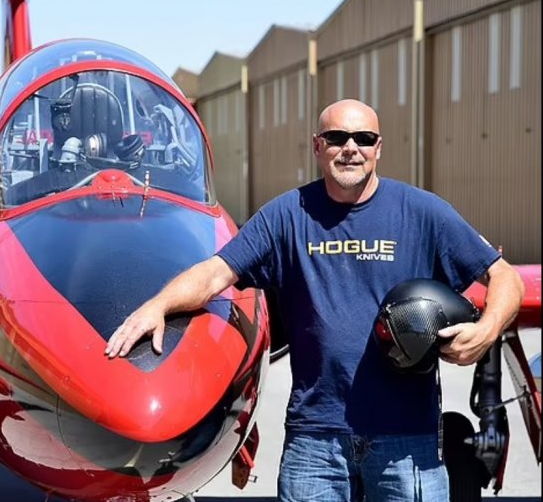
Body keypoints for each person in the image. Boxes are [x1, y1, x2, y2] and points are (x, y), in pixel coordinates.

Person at [104, 98, 524, 501]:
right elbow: (217, 271)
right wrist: (158, 305)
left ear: (378, 148)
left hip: (405, 438)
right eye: (338, 137)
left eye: (362, 139)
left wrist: (487, 330)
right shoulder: (287, 215)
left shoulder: (422, 212)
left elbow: (504, 276)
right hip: (316, 440)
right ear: (318, 146)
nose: (350, 149)